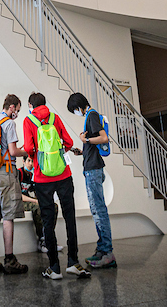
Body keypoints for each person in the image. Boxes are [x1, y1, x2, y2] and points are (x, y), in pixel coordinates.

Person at [22, 92, 90, 281]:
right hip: (63, 175)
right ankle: (73, 262)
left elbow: (28, 148)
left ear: (30, 105)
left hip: (42, 178)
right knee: (70, 217)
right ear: (45, 103)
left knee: (47, 219)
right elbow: (68, 142)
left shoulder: (28, 121)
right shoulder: (55, 118)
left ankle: (54, 267)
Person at [69, 92, 115, 268]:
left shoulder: (92, 115)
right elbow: (94, 144)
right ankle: (102, 249)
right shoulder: (89, 116)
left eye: (74, 110)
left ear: (78, 106)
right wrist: (82, 149)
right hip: (92, 167)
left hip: (94, 170)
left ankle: (107, 252)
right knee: (97, 210)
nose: (75, 113)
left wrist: (85, 139)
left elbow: (103, 138)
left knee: (99, 211)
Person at [0, 94, 28, 275]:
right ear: (11, 107)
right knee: (8, 216)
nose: (17, 113)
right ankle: (10, 260)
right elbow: (13, 151)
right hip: (6, 172)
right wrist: (27, 149)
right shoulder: (9, 124)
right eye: (17, 110)